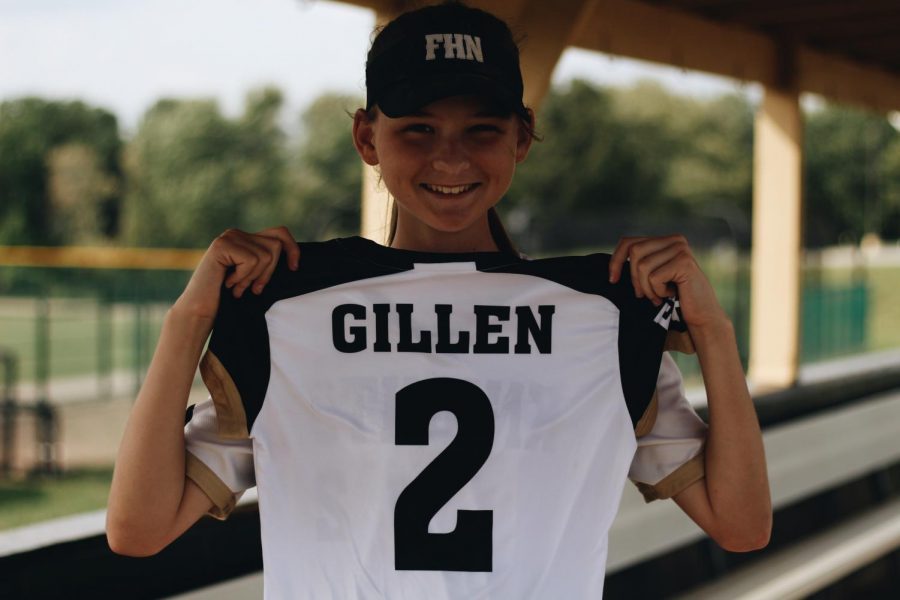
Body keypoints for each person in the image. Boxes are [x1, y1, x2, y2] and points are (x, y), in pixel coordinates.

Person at [106, 2, 771, 598]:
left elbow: (741, 525)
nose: (449, 159)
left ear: (522, 135)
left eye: (481, 129)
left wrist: (713, 331)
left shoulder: (603, 325)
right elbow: (138, 529)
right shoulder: (288, 317)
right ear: (367, 137)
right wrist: (188, 318)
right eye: (418, 129)